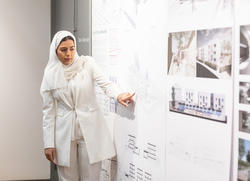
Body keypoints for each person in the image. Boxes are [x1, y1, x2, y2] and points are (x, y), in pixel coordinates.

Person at [40, 30, 135, 181]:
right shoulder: (50, 74)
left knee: (90, 177)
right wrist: (48, 143)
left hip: (90, 130)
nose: (68, 54)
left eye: (72, 48)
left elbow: (105, 84)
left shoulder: (87, 63)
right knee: (67, 178)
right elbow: (48, 112)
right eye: (63, 50)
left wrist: (117, 95)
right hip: (64, 134)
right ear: (55, 51)